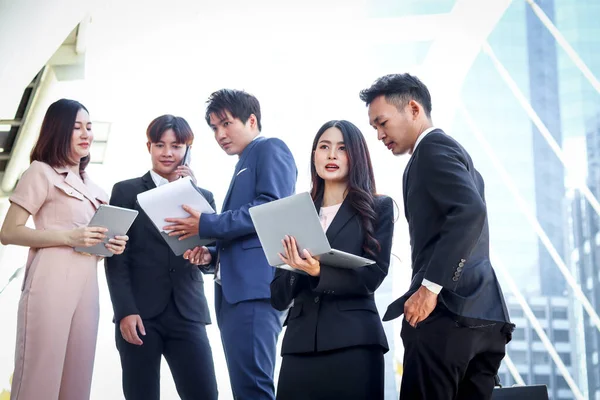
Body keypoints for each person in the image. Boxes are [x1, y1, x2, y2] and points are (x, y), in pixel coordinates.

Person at [359, 73, 515, 399]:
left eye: (382, 122)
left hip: (446, 317)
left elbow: (470, 212)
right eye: (374, 127)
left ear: (413, 109)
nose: (378, 135)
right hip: (485, 317)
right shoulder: (459, 156)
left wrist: (430, 289)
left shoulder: (431, 150)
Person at [164, 89, 297, 399]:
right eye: (214, 128)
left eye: (226, 123)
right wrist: (210, 257)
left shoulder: (269, 149)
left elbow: (269, 209)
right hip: (234, 294)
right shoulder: (243, 163)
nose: (220, 134)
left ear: (252, 120)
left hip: (254, 292)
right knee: (245, 386)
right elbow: (245, 235)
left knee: (253, 386)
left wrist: (206, 224)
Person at [0, 99, 128, 400]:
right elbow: (8, 232)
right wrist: (70, 237)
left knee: (77, 384)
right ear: (59, 130)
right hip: (50, 281)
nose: (86, 133)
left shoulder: (97, 191)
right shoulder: (40, 173)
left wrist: (111, 244)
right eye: (76, 127)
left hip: (87, 289)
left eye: (89, 126)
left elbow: (92, 242)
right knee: (39, 378)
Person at [270, 120, 394, 400]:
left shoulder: (377, 208)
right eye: (324, 147)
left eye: (342, 148)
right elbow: (277, 297)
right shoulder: (292, 213)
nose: (331, 155)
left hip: (354, 344)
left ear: (356, 156)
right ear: (314, 155)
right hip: (299, 347)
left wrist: (318, 272)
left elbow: (372, 277)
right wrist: (294, 268)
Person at [104, 115, 218, 400]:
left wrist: (189, 195)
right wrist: (125, 311)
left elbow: (212, 255)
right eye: (160, 145)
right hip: (139, 313)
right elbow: (116, 257)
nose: (167, 153)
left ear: (187, 150)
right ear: (149, 147)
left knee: (205, 393)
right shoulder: (125, 191)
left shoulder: (203, 197)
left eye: (176, 146)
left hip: (187, 311)